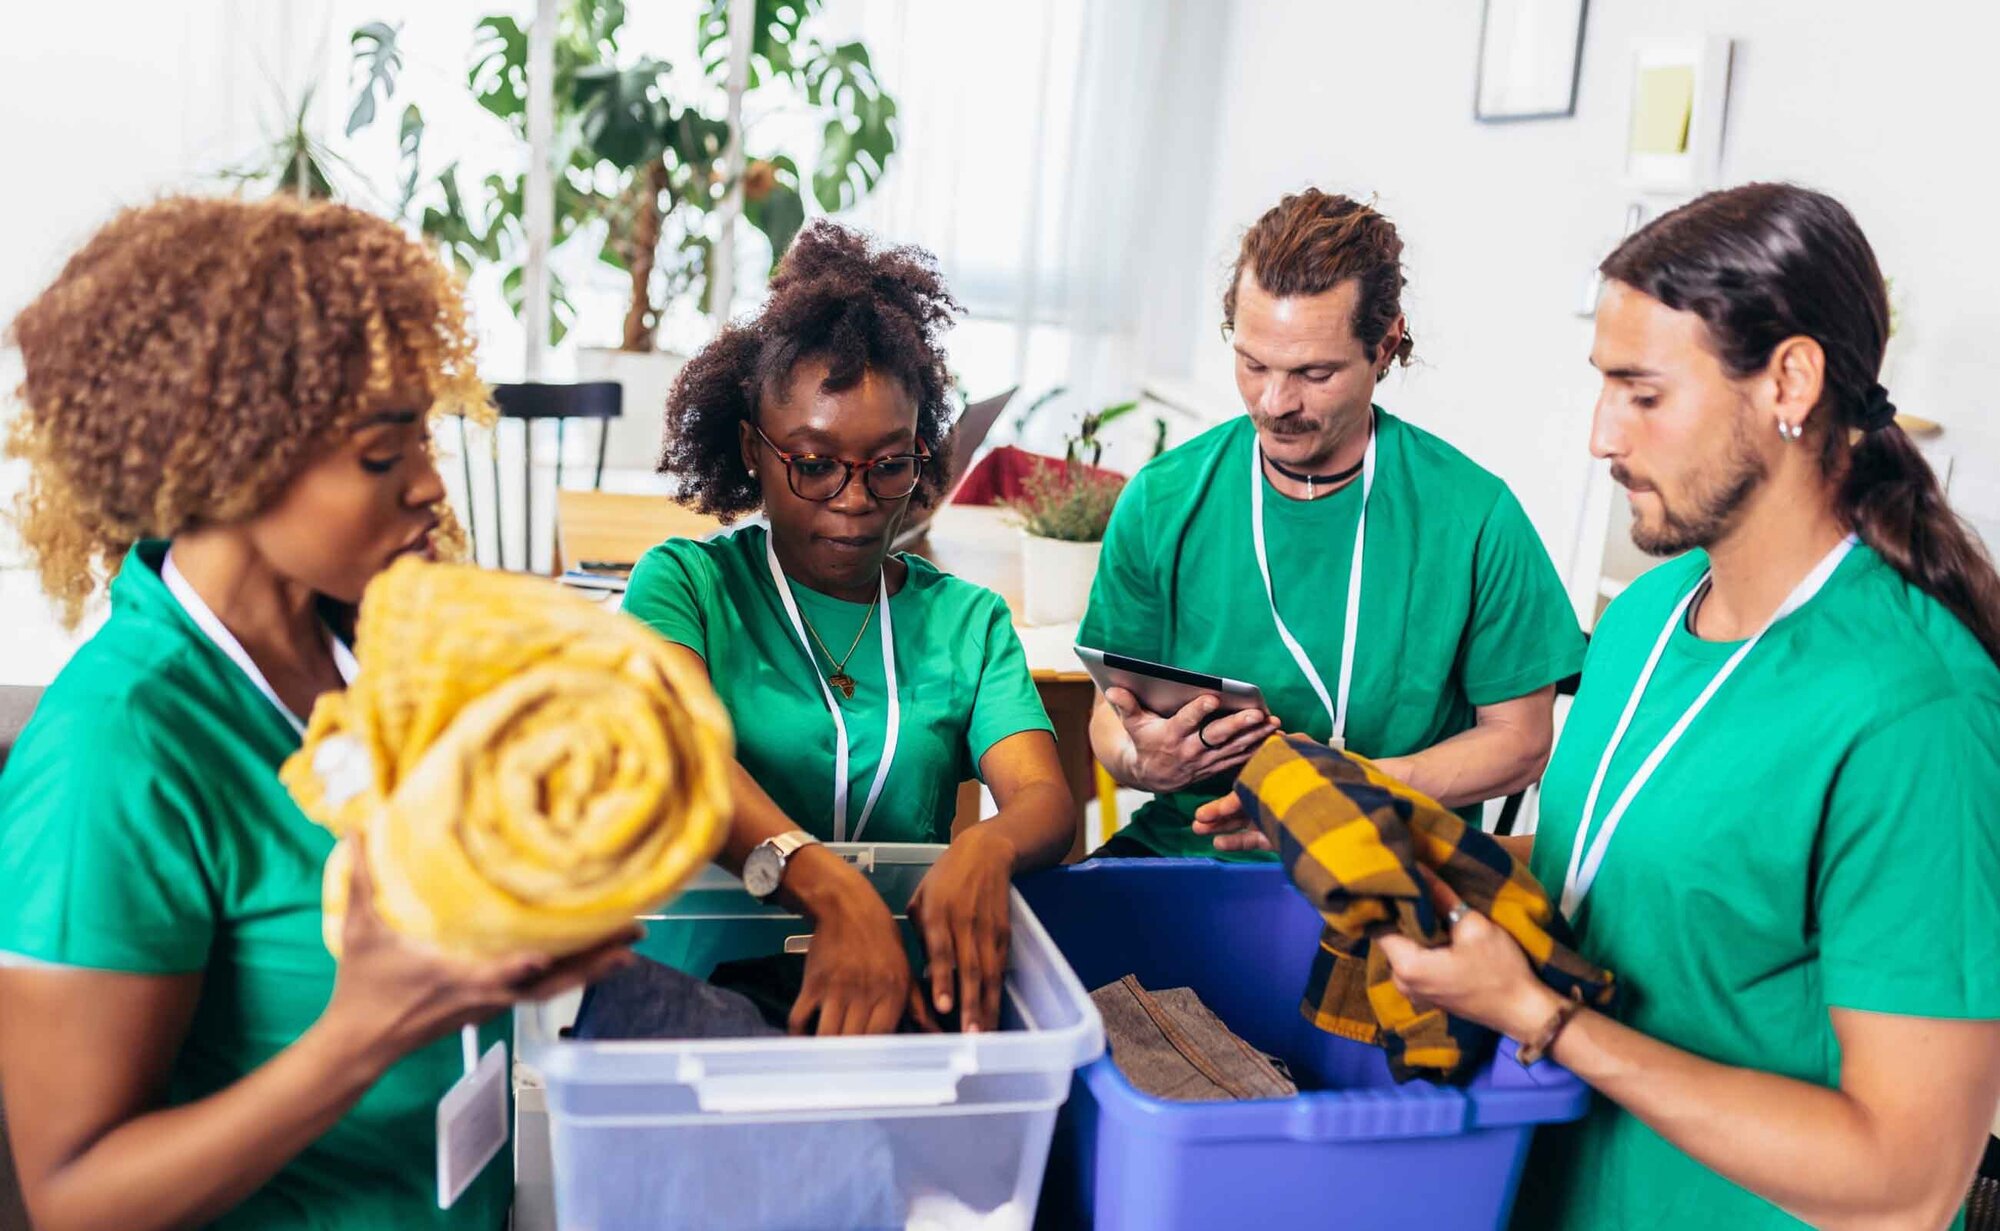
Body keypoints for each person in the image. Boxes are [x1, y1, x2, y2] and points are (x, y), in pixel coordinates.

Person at [1369, 183, 2000, 1228]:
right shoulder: (1645, 616)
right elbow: (1619, 868)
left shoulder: (1914, 714)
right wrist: (1396, 835)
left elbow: (1907, 1181)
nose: (1598, 436)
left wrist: (1544, 1019)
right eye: (1599, 387)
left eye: (1641, 393)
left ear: (1787, 381)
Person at [0, 196, 636, 1231]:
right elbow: (77, 1199)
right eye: (381, 455)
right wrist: (366, 1034)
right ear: (221, 459)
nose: (430, 482)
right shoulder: (116, 745)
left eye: (421, 433)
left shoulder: (372, 647)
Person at [621, 221, 1076, 1035]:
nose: (856, 497)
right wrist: (834, 894)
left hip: (895, 994)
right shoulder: (686, 588)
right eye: (815, 461)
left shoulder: (966, 623)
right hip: (698, 1000)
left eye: (889, 462)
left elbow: (1044, 797)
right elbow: (681, 761)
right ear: (753, 450)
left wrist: (989, 845)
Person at [1083, 188, 1584, 859]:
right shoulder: (1161, 501)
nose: (1274, 401)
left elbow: (1521, 742)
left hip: (1390, 864)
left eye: (1314, 373)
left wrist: (1358, 791)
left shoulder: (1473, 517)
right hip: (1193, 853)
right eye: (1252, 362)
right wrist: (1145, 762)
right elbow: (1110, 717)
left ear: (1386, 345)